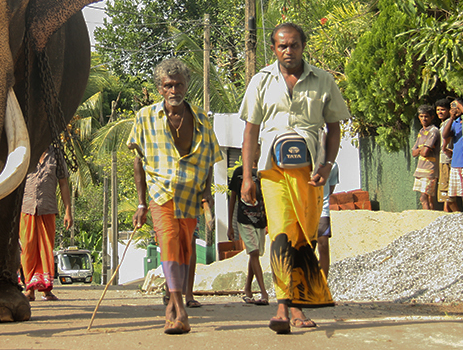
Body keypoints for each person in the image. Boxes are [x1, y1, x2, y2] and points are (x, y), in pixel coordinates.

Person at [238, 23, 351, 334]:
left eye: (294, 45)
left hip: (311, 173)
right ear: (274, 48)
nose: (288, 51)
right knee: (281, 233)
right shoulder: (261, 81)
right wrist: (248, 177)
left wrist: (328, 165)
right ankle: (282, 306)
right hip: (273, 172)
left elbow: (334, 127)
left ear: (304, 46)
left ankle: (298, 304)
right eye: (282, 46)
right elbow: (250, 131)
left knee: (305, 237)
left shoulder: (324, 80)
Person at [128, 57, 220, 335]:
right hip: (161, 194)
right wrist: (142, 203)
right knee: (167, 241)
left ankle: (174, 296)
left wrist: (207, 198)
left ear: (186, 85)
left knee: (183, 248)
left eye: (179, 84)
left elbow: (208, 162)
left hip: (190, 196)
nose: (174, 90)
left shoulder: (202, 119)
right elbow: (138, 162)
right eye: (168, 85)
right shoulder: (145, 117)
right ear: (160, 88)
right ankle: (177, 308)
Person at [20, 145, 72, 301]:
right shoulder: (26, 150)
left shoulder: (56, 153)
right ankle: (29, 288)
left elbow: (63, 183)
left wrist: (68, 211)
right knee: (27, 248)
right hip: (26, 208)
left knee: (46, 248)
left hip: (47, 208)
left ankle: (46, 289)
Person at [227, 163, 269, 305]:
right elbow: (233, 198)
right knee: (254, 252)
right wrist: (230, 226)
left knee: (255, 254)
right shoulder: (239, 172)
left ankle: (247, 288)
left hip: (260, 220)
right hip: (244, 219)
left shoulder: (263, 172)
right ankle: (264, 292)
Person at [411, 105, 440, 210]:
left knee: (424, 198)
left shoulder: (433, 131)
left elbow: (425, 153)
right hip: (420, 169)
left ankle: (427, 222)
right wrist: (421, 149)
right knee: (427, 198)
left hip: (430, 169)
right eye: (421, 116)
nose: (424, 119)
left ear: (432, 117)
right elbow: (414, 153)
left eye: (426, 116)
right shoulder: (421, 132)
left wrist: (421, 150)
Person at [444, 98, 463, 212]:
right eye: (452, 107)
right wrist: (452, 118)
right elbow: (445, 135)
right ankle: (459, 216)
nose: (454, 109)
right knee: (451, 197)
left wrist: (459, 104)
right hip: (455, 163)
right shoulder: (455, 122)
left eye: (456, 107)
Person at [316, 164, 339, 278]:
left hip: (322, 210)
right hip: (304, 210)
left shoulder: (332, 165)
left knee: (323, 245)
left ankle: (323, 283)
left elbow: (330, 188)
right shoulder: (304, 161)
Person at [434, 98, 453, 209]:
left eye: (442, 110)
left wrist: (445, 148)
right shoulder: (442, 125)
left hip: (447, 160)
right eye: (438, 110)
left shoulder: (449, 123)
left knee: (446, 190)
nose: (440, 112)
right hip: (442, 160)